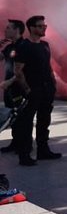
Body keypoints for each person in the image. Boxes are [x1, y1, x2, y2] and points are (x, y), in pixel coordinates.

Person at [13, 15, 59, 166]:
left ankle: (43, 150)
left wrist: (53, 82)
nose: (44, 28)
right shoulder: (24, 46)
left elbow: (48, 65)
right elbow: (18, 71)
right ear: (32, 28)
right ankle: (24, 155)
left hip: (46, 89)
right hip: (33, 89)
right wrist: (27, 89)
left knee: (44, 120)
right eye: (40, 26)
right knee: (27, 122)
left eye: (44, 26)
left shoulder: (45, 45)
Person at [0, 20, 25, 155]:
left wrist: (10, 81)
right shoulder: (9, 47)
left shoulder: (24, 46)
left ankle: (24, 144)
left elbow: (24, 69)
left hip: (19, 87)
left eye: (8, 28)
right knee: (12, 116)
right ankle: (15, 142)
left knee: (21, 116)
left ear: (16, 30)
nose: (5, 30)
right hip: (9, 88)